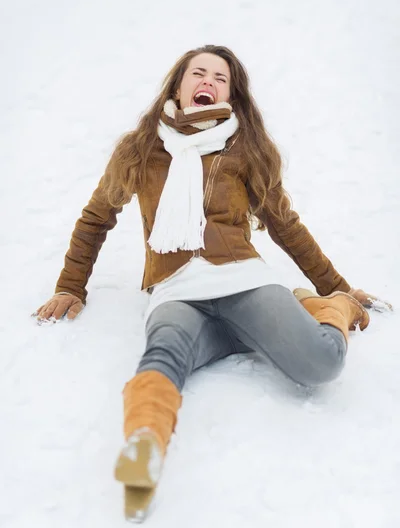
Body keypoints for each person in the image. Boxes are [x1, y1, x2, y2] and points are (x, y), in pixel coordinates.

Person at [33, 45, 391, 522]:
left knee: (321, 362)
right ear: (178, 87)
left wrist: (337, 286)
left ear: (232, 93)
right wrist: (70, 287)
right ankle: (145, 447)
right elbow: (97, 218)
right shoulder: (140, 150)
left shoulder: (245, 149)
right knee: (164, 354)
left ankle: (326, 305)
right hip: (175, 289)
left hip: (242, 279)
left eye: (220, 78)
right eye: (198, 73)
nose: (209, 81)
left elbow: (285, 225)